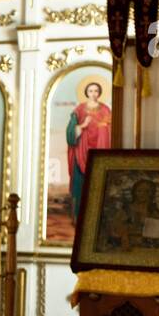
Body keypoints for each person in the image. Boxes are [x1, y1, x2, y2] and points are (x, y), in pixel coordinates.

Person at [66, 81, 112, 221]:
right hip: (81, 153)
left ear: (99, 93)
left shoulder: (105, 109)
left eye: (96, 91)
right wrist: (83, 125)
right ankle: (78, 217)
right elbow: (70, 133)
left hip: (99, 152)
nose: (93, 93)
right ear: (86, 92)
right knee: (81, 185)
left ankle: (97, 218)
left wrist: (103, 128)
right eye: (91, 91)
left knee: (99, 185)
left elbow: (111, 129)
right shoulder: (79, 110)